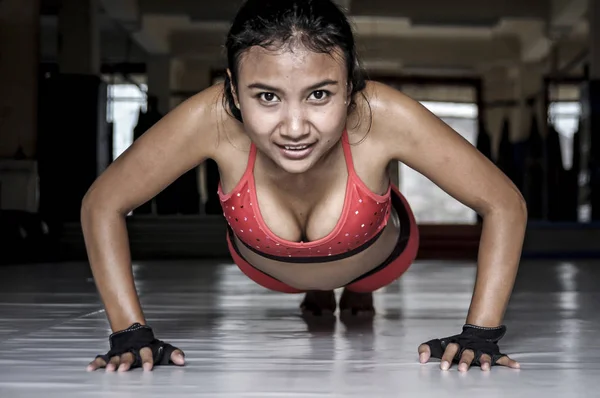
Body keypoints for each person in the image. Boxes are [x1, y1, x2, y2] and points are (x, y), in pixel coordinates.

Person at [82, 0, 525, 374]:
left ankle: (352, 286)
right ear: (234, 92)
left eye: (319, 95)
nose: (294, 128)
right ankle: (323, 287)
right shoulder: (211, 119)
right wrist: (129, 332)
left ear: (350, 87)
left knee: (360, 257)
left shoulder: (383, 114)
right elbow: (102, 202)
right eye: (267, 97)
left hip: (377, 260)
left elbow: (503, 202)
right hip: (265, 265)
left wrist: (481, 334)